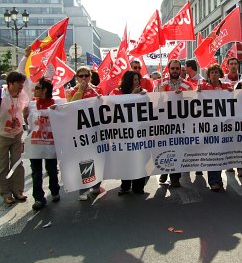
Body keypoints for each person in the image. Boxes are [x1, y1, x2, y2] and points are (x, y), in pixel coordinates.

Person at [23, 77, 61, 210]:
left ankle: (55, 190)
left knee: (51, 170)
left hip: (50, 143)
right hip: (35, 143)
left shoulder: (56, 103)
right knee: (36, 172)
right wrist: (24, 115)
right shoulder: (31, 104)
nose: (35, 90)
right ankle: (39, 198)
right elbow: (29, 124)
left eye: (38, 88)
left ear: (45, 90)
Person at [66, 66, 103, 200]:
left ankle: (96, 184)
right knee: (84, 159)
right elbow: (69, 106)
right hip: (80, 130)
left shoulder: (97, 90)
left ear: (90, 77)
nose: (83, 79)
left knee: (97, 157)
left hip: (96, 129)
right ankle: (83, 189)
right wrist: (81, 90)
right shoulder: (72, 90)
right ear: (76, 78)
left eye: (86, 76)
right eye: (80, 76)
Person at [156, 59, 194, 187]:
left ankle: (175, 177)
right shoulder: (160, 84)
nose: (175, 71)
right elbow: (153, 103)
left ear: (180, 70)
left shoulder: (187, 86)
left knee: (177, 149)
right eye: (173, 68)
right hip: (163, 124)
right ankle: (164, 171)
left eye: (177, 68)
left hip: (179, 125)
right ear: (168, 69)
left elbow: (192, 103)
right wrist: (159, 93)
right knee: (164, 149)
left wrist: (184, 96)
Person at [110, 71, 148, 195]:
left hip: (139, 132)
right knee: (125, 159)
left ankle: (138, 186)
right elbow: (114, 106)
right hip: (123, 133)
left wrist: (143, 96)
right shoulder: (117, 92)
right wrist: (133, 95)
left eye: (138, 79)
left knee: (139, 159)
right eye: (134, 80)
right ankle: (125, 186)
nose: (136, 82)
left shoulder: (142, 93)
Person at [198, 64, 233, 191]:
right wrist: (198, 93)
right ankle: (213, 181)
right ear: (208, 75)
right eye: (211, 72)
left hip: (223, 126)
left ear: (220, 74)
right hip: (209, 126)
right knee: (212, 152)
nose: (214, 75)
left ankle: (217, 179)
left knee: (221, 152)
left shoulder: (226, 87)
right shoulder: (203, 86)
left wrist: (232, 92)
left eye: (216, 72)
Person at [0, 71, 29, 205]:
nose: (21, 86)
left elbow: (26, 107)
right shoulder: (2, 95)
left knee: (17, 163)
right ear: (10, 83)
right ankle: (6, 193)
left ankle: (18, 191)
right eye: (18, 83)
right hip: (2, 136)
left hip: (17, 134)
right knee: (3, 166)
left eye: (22, 84)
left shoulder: (22, 94)